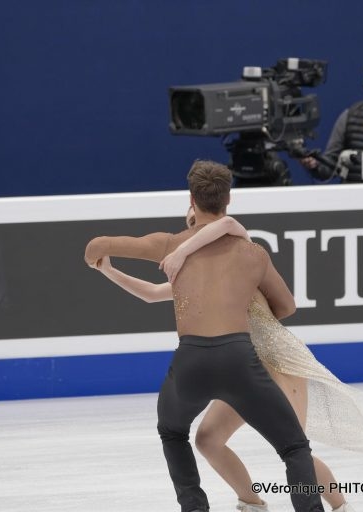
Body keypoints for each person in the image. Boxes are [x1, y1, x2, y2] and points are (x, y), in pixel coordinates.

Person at [93, 209, 363, 512]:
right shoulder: (199, 275)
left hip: (279, 364)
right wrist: (108, 271)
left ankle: (340, 507)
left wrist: (179, 250)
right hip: (242, 368)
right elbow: (153, 293)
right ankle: (253, 503)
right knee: (208, 440)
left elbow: (229, 223)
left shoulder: (242, 255)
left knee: (294, 448)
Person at [84, 160, 324, 512]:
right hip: (240, 360)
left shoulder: (169, 244)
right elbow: (286, 307)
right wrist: (243, 299)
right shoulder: (253, 253)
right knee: (294, 449)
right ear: (228, 201)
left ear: (191, 201)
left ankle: (194, 507)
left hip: (191, 362)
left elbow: (97, 245)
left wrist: (98, 262)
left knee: (172, 430)